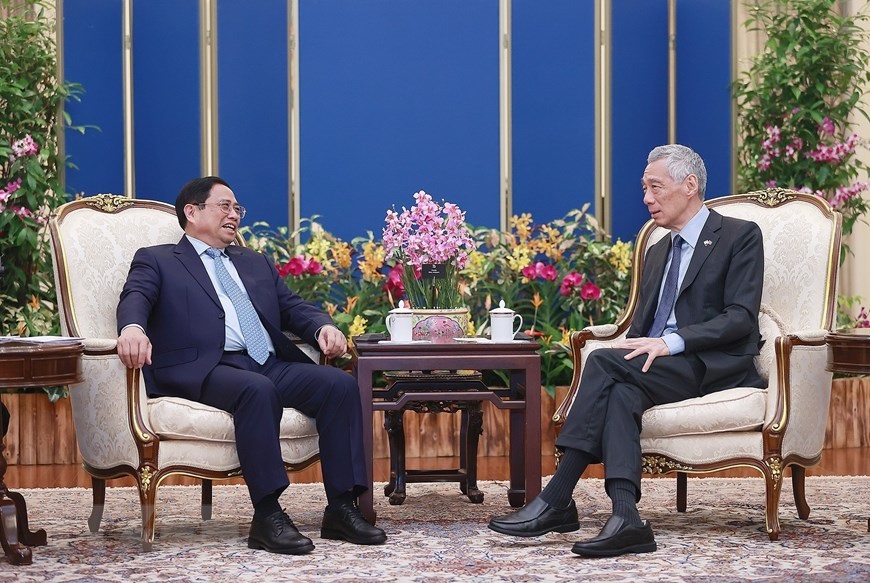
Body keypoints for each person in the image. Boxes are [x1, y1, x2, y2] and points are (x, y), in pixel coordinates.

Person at [488, 144, 765, 557]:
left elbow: (741, 317)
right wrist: (640, 349)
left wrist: (670, 342)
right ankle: (626, 518)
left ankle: (558, 497)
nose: (647, 198)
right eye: (644, 188)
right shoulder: (657, 250)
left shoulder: (739, 236)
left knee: (603, 361)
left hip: (712, 364)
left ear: (690, 185)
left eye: (655, 187)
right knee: (621, 392)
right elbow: (642, 327)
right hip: (659, 365)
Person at [116, 176, 386, 555]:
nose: (234, 215)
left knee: (338, 386)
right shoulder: (158, 259)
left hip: (265, 361)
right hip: (206, 367)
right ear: (192, 212)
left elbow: (292, 307)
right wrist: (132, 328)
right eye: (224, 206)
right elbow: (136, 296)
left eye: (237, 208)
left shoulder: (254, 262)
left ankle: (341, 508)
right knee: (257, 391)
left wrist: (322, 327)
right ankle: (268, 515)